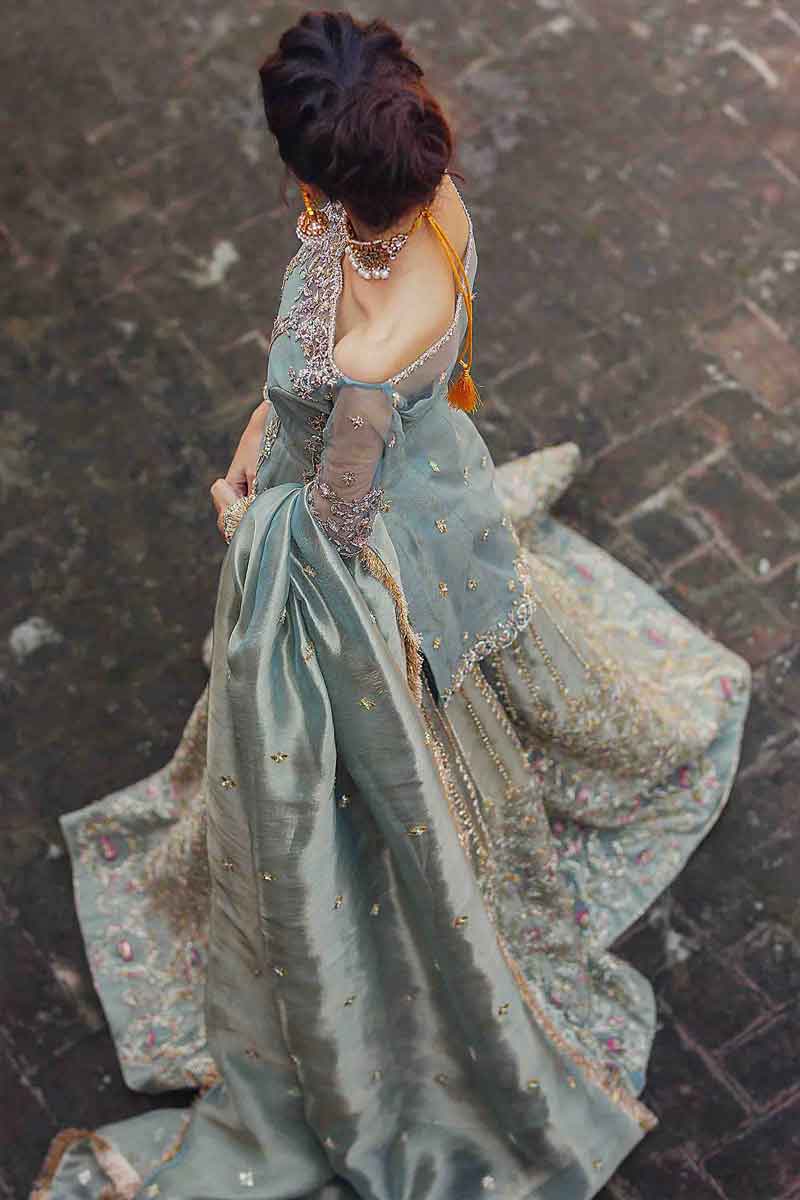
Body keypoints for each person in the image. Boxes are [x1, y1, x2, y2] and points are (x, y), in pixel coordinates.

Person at [31, 10, 751, 1200]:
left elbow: (334, 515)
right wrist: (265, 426)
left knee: (380, 727)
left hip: (369, 541)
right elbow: (319, 390)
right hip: (431, 475)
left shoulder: (373, 352)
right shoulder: (432, 205)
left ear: (318, 174)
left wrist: (241, 511)